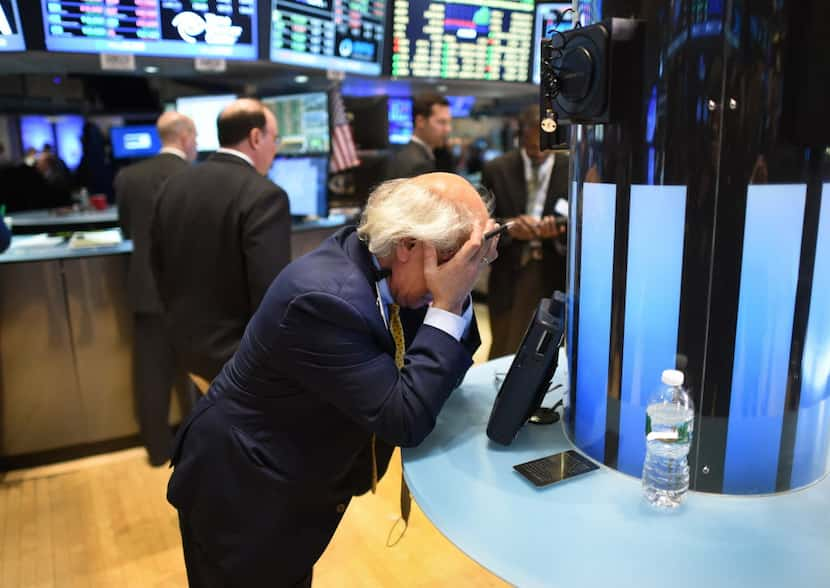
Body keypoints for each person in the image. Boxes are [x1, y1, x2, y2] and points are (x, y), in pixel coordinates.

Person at [167, 172, 499, 587]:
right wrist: (448, 303)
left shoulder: (385, 262)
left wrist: (453, 295)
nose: (467, 273)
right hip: (243, 491)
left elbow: (439, 367)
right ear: (408, 245)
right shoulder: (325, 299)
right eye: (461, 257)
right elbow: (405, 417)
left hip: (294, 477)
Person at [150, 98, 291, 388]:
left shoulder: (173, 185)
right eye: (274, 139)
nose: (275, 149)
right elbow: (270, 293)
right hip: (241, 360)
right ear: (255, 137)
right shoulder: (265, 195)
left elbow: (158, 266)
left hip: (188, 351)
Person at [115, 111, 198, 466]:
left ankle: (157, 450)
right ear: (185, 137)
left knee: (151, 375)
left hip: (146, 290)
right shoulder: (196, 178)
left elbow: (125, 230)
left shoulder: (128, 177)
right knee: (197, 373)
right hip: (191, 292)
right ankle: (197, 444)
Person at [483, 104, 570, 359]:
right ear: (521, 137)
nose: (539, 154)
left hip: (553, 271)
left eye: (544, 148)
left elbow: (583, 223)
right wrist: (511, 227)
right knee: (504, 345)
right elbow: (482, 223)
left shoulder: (571, 168)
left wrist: (556, 230)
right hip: (510, 271)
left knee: (547, 348)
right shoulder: (497, 169)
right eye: (532, 148)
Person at [386, 93, 452, 179]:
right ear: (420, 121)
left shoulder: (410, 154)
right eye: (441, 122)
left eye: (448, 122)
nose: (448, 129)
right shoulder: (418, 164)